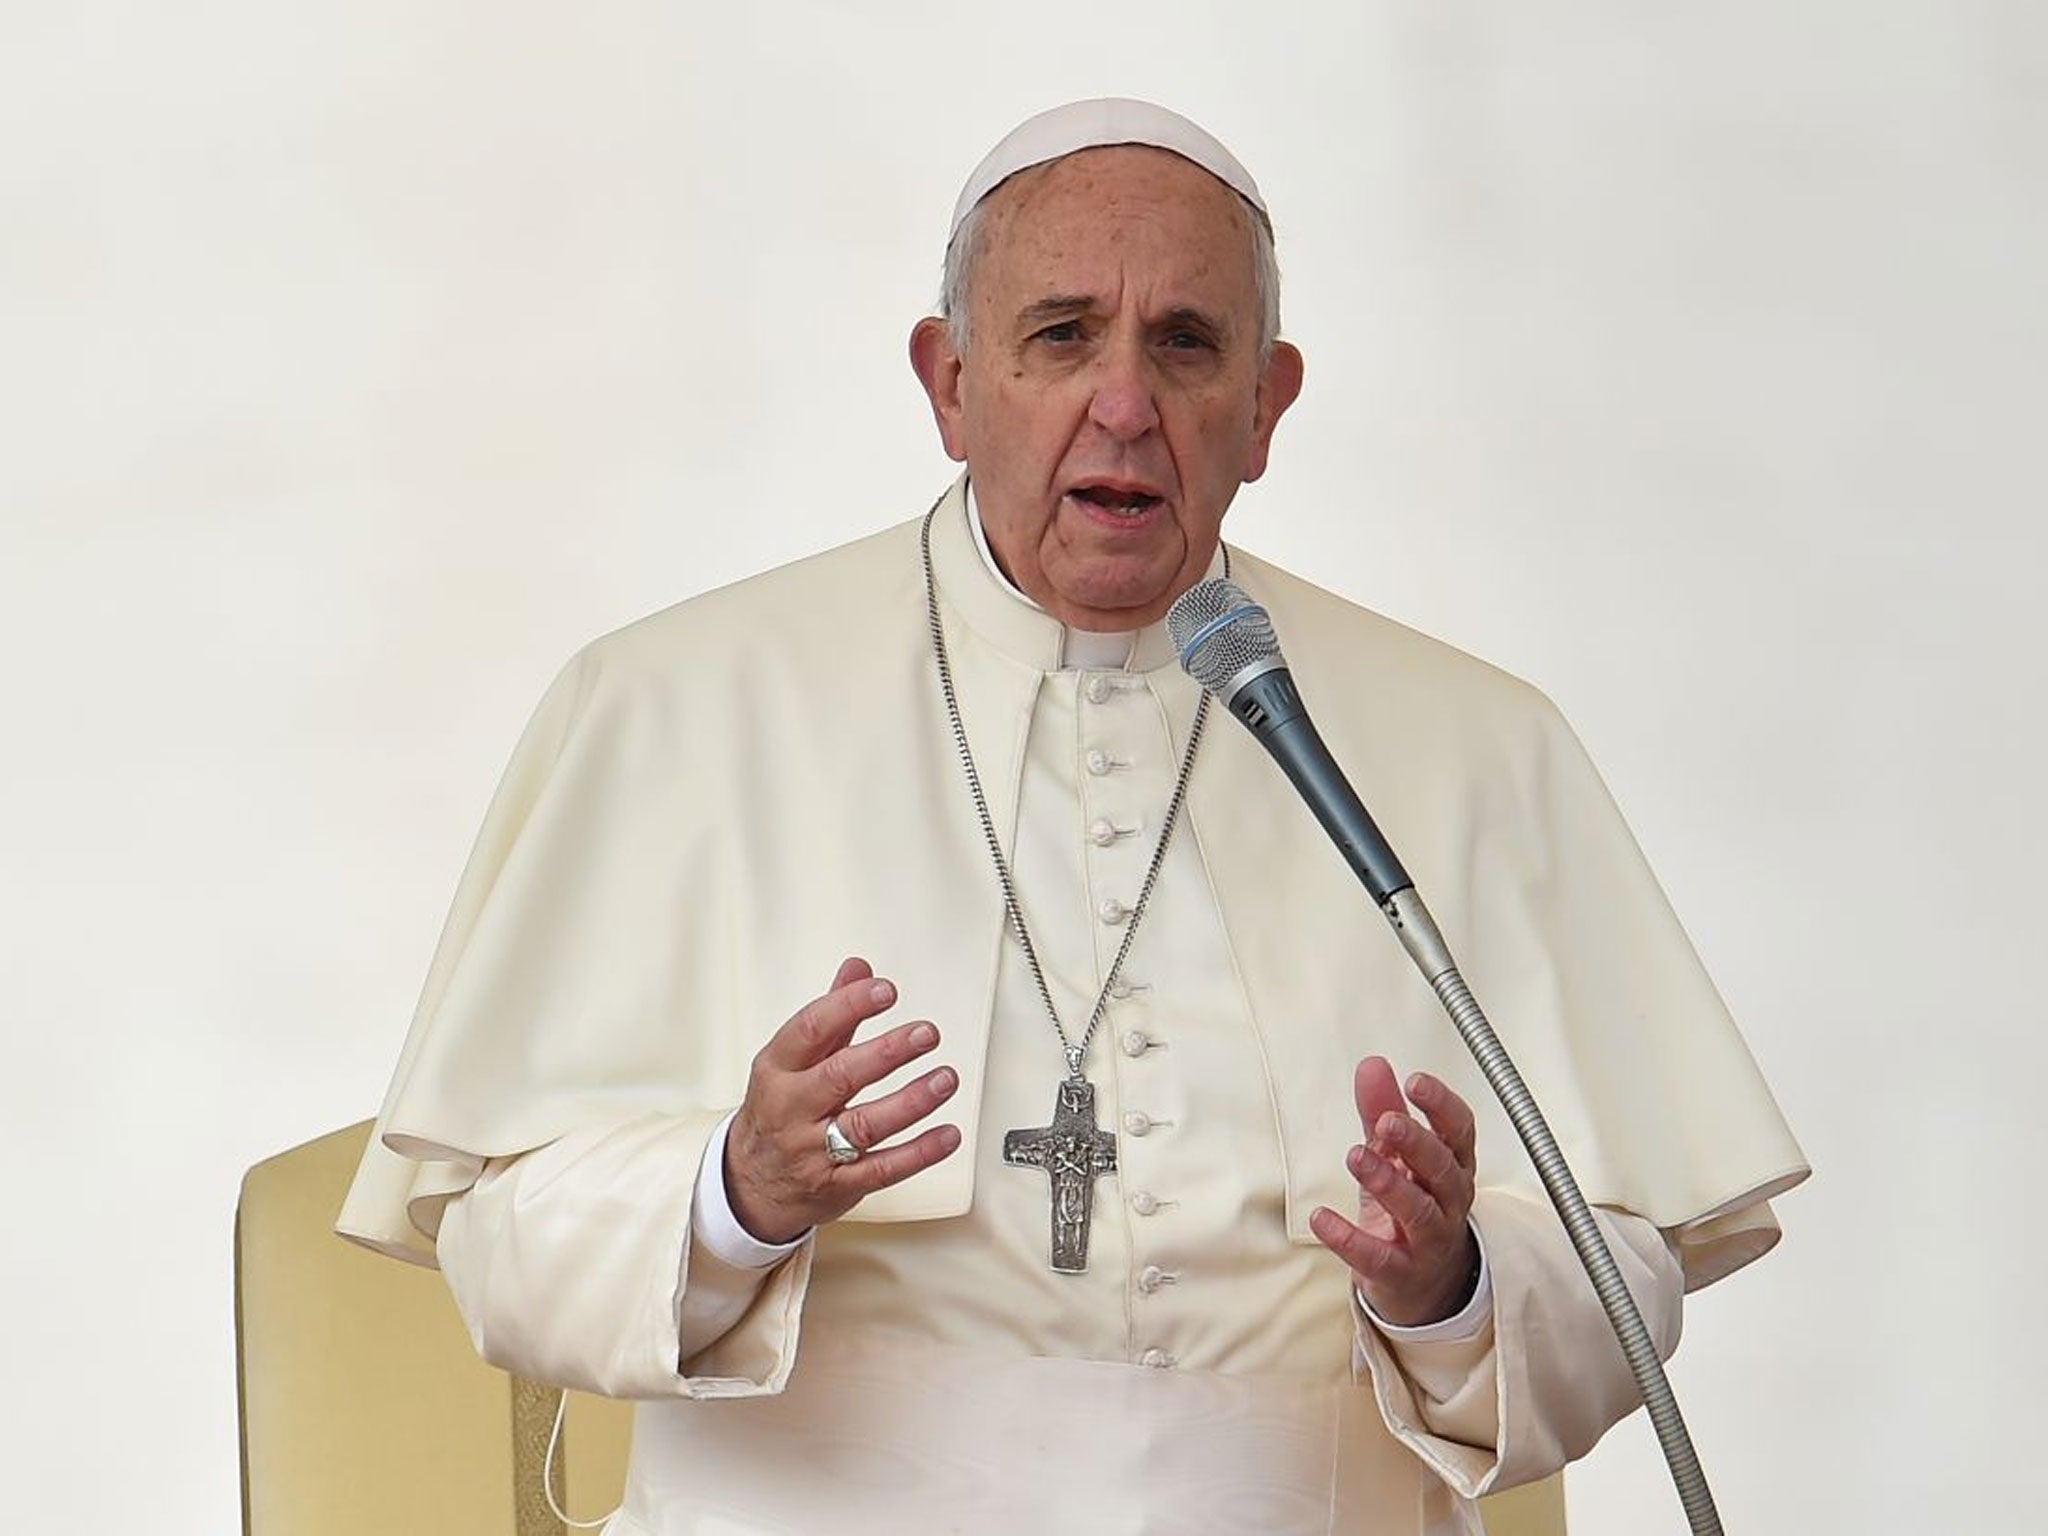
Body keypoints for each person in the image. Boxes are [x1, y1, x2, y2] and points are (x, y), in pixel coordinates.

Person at [339, 99, 1806, 1536]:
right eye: (1061, 337)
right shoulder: (672, 705)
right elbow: (496, 1241)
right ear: (950, 385)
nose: (1125, 404)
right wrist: (741, 1188)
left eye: (1185, 344)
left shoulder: (1474, 744)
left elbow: (1628, 1274)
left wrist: (1453, 1285)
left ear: (1266, 405)